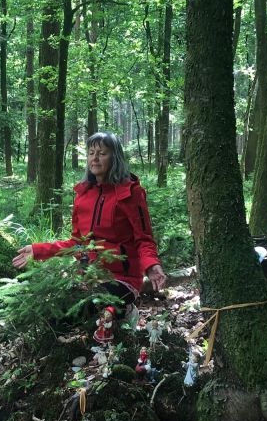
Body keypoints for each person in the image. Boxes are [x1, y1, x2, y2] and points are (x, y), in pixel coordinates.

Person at [12, 132, 166, 314]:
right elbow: (77, 244)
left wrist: (151, 265)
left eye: (102, 153)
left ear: (115, 157)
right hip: (87, 276)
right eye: (91, 153)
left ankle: (127, 313)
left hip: (123, 279)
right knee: (61, 311)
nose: (95, 158)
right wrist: (38, 250)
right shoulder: (83, 194)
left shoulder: (131, 193)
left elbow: (144, 239)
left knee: (94, 307)